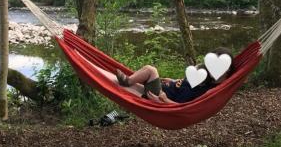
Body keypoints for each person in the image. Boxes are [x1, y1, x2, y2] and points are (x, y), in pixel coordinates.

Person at [99, 47, 235, 104]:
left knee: (150, 70)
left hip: (160, 96)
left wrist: (164, 102)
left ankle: (127, 81)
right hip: (163, 89)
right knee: (147, 73)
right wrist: (175, 80)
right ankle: (128, 81)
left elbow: (187, 109)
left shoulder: (212, 90)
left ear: (226, 69)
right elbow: (187, 86)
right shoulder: (206, 78)